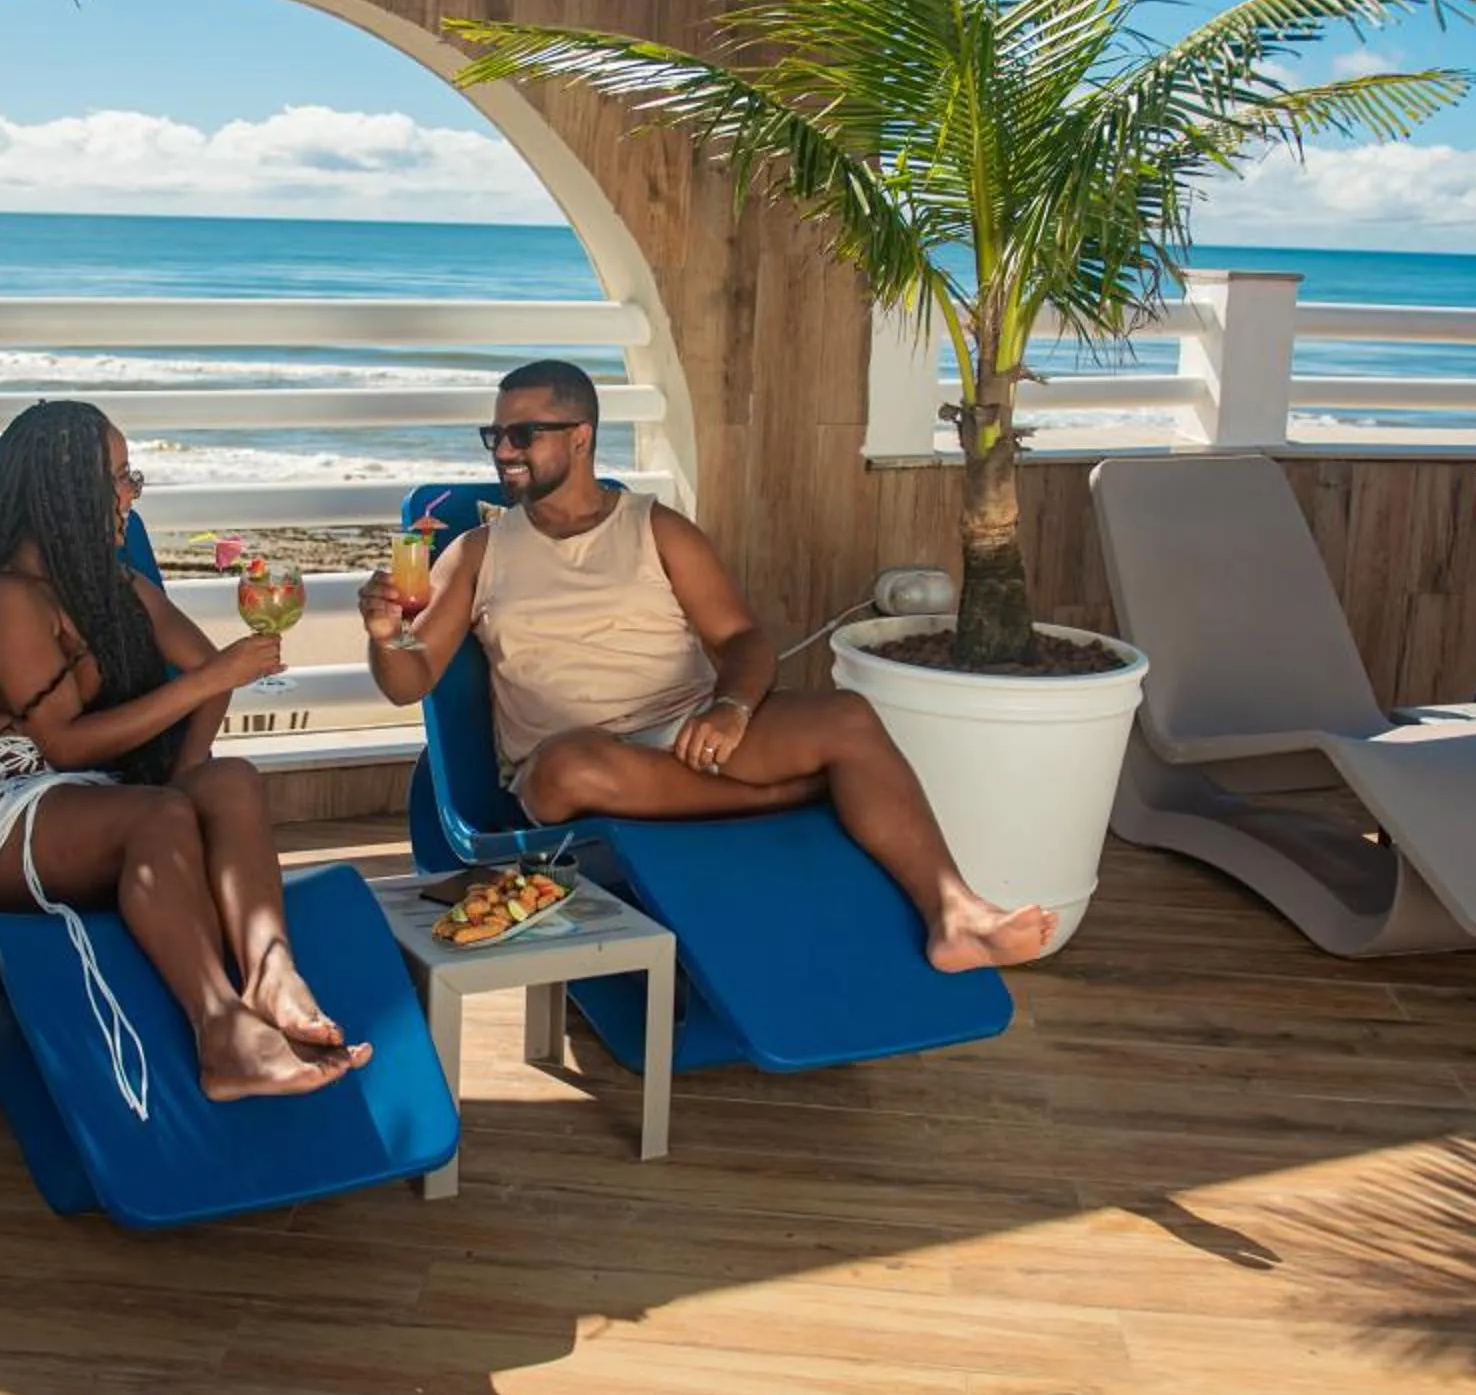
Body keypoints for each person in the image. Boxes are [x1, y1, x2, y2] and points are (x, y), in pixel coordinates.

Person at [358, 360, 1059, 973]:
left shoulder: (655, 528)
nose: (503, 451)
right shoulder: (478, 552)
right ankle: (806, 792)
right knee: (569, 769)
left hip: (690, 733)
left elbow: (743, 639)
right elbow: (407, 683)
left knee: (847, 716)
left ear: (580, 436)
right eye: (495, 436)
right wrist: (385, 634)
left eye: (522, 434)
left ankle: (956, 913)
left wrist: (732, 708)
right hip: (576, 764)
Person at [0, 402, 366, 1165]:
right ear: (63, 488)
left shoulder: (113, 584)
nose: (132, 493)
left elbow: (204, 676)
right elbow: (59, 744)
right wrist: (197, 715)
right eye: (119, 478)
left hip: (88, 803)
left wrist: (189, 774)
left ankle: (272, 972)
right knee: (156, 818)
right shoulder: (8, 600)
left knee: (233, 783)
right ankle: (221, 1033)